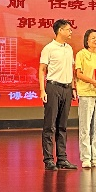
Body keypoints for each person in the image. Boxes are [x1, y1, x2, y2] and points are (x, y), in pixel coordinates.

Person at [39, 19, 77, 171]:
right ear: (60, 30)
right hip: (53, 87)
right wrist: (42, 90)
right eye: (68, 29)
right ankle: (49, 159)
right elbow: (42, 69)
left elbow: (71, 70)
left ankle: (62, 158)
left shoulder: (69, 48)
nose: (70, 32)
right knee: (50, 125)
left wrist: (73, 88)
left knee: (63, 125)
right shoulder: (49, 48)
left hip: (67, 88)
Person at [75, 29, 96, 169]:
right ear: (87, 41)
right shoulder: (81, 54)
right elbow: (78, 74)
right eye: (93, 38)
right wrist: (93, 81)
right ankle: (86, 157)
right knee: (85, 126)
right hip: (86, 93)